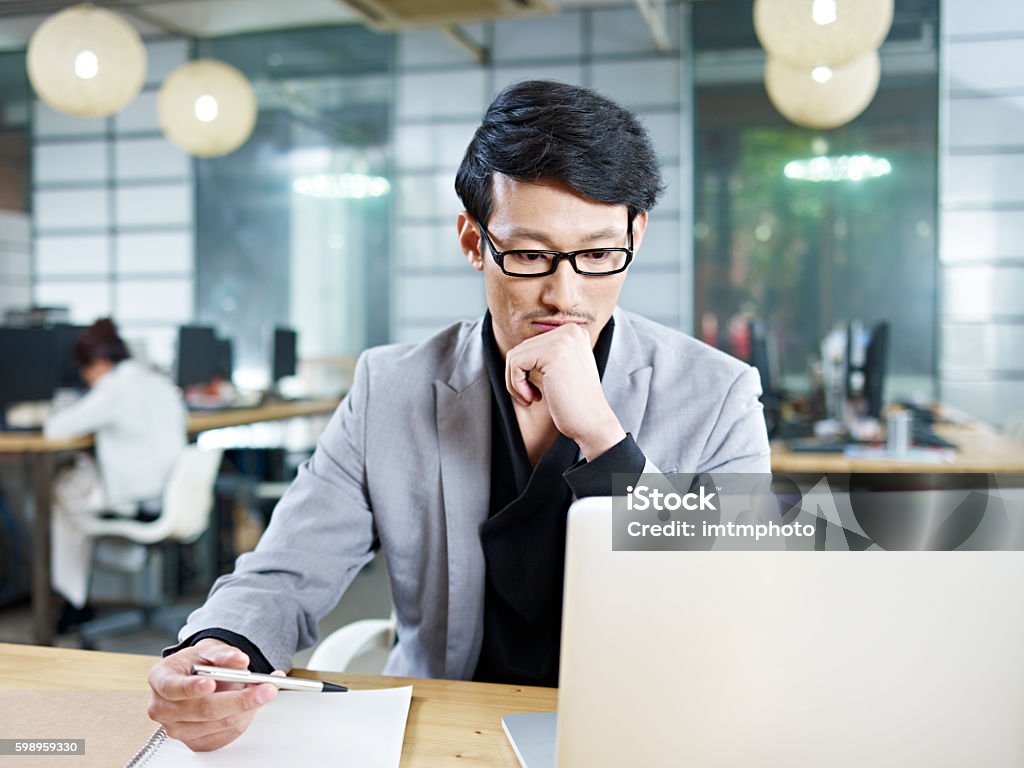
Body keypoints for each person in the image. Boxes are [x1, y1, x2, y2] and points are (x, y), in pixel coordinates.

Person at [147, 80, 772, 751]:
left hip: (641, 736)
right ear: (473, 241)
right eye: (530, 255)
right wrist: (222, 650)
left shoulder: (718, 395)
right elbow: (286, 572)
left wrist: (603, 438)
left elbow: (730, 614)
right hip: (444, 731)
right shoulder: (390, 388)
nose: (566, 294)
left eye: (596, 255)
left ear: (635, 234)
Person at [45, 318, 186, 621]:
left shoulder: (113, 389)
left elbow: (56, 430)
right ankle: (78, 594)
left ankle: (71, 601)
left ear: (95, 363)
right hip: (168, 491)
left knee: (60, 492)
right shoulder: (157, 381)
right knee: (76, 486)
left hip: (139, 500)